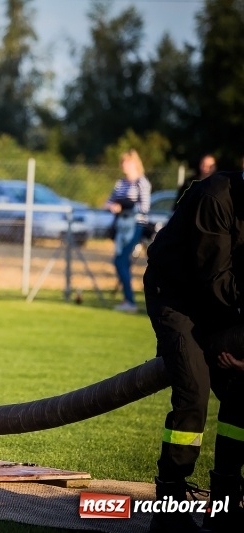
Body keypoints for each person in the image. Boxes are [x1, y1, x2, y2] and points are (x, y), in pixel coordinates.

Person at [144, 169, 244, 533]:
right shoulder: (215, 198)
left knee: (239, 393)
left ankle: (226, 502)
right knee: (194, 396)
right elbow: (216, 281)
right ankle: (169, 505)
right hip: (178, 298)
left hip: (221, 302)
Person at [105, 149, 151, 313]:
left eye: (126, 162)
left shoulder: (142, 182)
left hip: (136, 226)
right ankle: (128, 299)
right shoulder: (121, 183)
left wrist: (124, 206)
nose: (123, 165)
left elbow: (144, 207)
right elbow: (108, 203)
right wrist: (113, 207)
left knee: (121, 260)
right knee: (120, 261)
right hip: (121, 226)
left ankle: (130, 300)